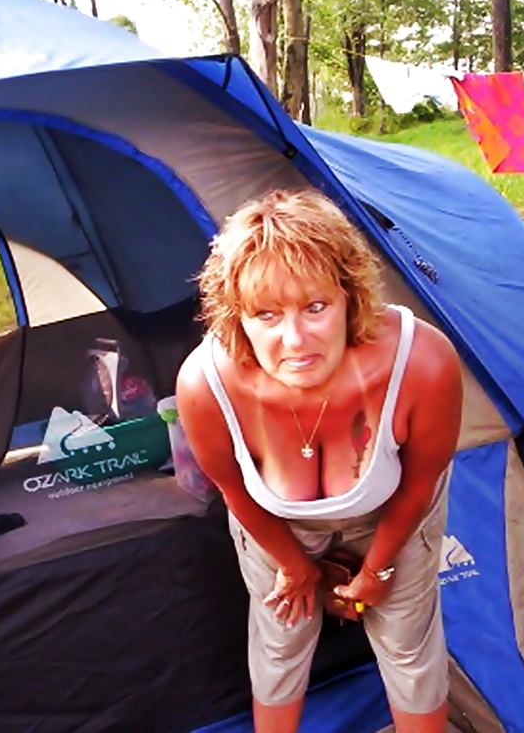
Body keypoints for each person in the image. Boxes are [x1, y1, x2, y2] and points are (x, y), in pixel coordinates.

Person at [176, 189, 463, 733]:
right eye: (266, 314)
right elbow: (236, 493)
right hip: (275, 526)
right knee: (280, 643)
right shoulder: (205, 387)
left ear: (350, 297)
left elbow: (421, 482)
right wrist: (294, 565)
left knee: (408, 648)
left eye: (315, 306)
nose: (294, 340)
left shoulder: (422, 363)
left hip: (395, 512)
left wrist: (378, 569)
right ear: (236, 317)